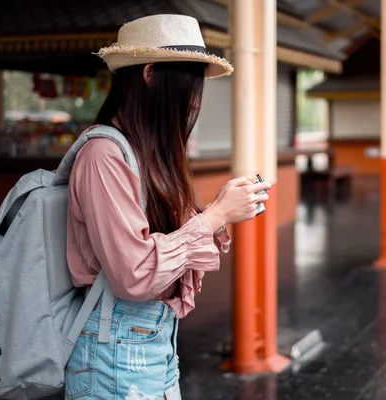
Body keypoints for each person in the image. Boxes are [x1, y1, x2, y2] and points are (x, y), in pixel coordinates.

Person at [63, 14, 272, 400]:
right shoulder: (103, 155)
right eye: (187, 86)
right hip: (111, 351)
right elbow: (135, 275)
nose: (194, 101)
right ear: (149, 75)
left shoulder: (150, 155)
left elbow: (165, 249)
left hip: (153, 343)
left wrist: (221, 210)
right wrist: (215, 216)